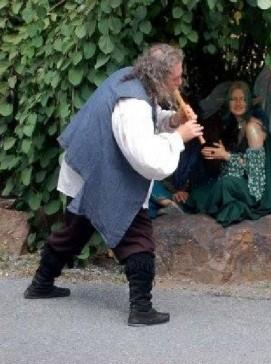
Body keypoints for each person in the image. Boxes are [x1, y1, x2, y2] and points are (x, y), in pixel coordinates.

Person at [23, 44, 204, 327]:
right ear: (158, 76)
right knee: (137, 238)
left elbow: (149, 120)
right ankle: (141, 310)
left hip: (92, 167)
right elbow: (146, 157)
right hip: (99, 172)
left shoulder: (133, 79)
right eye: (176, 78)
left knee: (75, 230)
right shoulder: (131, 104)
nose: (180, 83)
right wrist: (179, 137)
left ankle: (40, 284)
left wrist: (171, 120)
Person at [182, 81, 271, 226]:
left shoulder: (252, 127)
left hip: (261, 192)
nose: (238, 103)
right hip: (247, 181)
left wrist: (226, 156)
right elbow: (240, 163)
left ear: (249, 102)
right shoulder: (237, 125)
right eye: (233, 99)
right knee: (200, 192)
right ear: (228, 103)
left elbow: (255, 174)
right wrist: (222, 154)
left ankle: (211, 206)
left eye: (242, 99)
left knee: (224, 184)